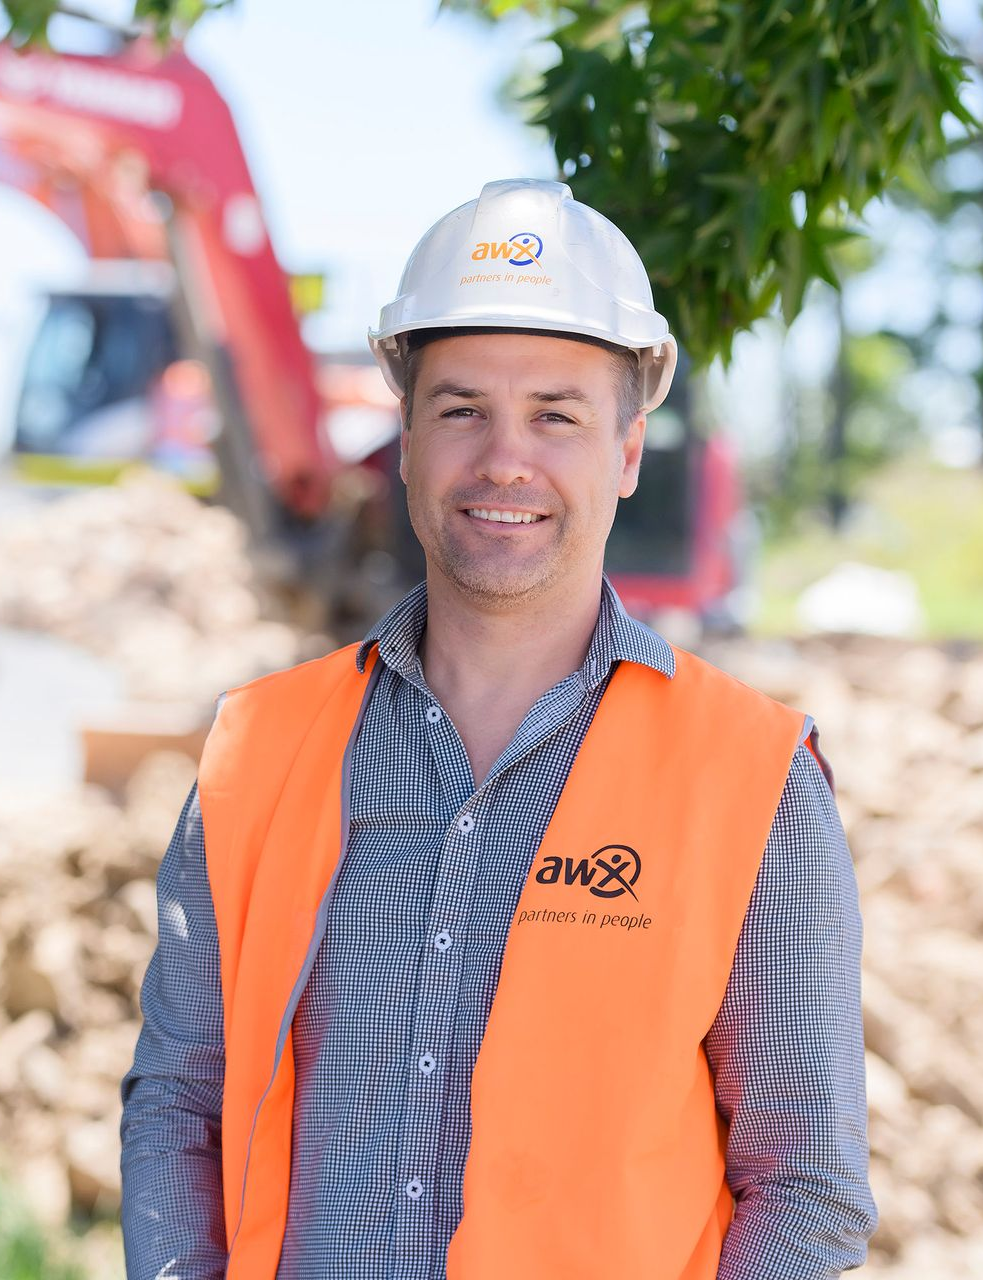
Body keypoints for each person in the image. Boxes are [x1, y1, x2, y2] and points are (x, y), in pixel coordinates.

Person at [120, 178, 878, 1279]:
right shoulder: (256, 754)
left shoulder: (749, 776)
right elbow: (181, 1106)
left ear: (626, 451)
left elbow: (803, 1185)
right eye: (462, 408)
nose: (503, 460)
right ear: (407, 441)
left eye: (556, 415)